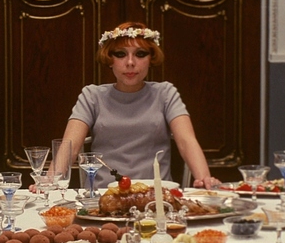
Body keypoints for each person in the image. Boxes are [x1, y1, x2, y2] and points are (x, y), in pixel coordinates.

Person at [39, 22, 220, 190]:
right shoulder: (92, 95)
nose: (130, 62)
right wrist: (50, 181)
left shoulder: (165, 93)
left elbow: (186, 141)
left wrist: (205, 179)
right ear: (110, 60)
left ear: (151, 59)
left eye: (140, 54)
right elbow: (70, 147)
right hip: (103, 198)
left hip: (157, 197)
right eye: (121, 54)